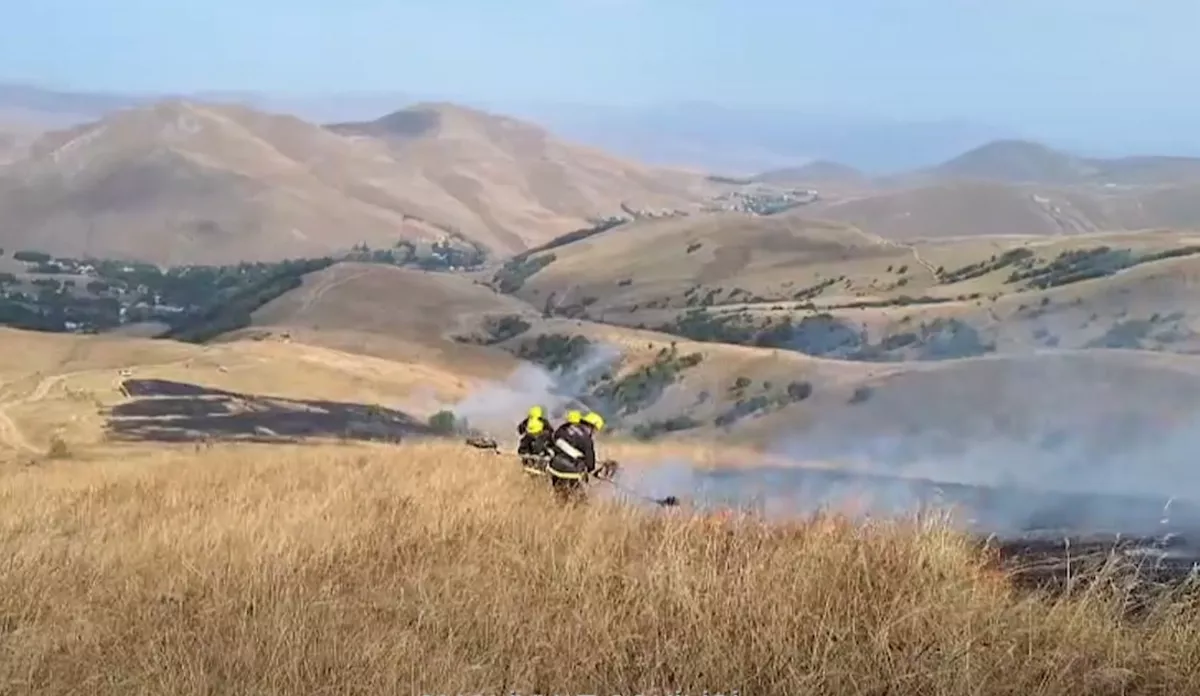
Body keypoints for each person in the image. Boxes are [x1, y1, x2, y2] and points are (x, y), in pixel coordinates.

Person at [546, 410, 605, 502]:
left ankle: (559, 511)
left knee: (560, 495)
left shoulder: (563, 427)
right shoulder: (586, 438)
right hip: (571, 470)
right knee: (579, 499)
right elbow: (590, 463)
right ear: (592, 426)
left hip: (554, 467)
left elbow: (553, 442)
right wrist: (591, 470)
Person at [517, 406, 554, 475]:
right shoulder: (544, 421)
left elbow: (520, 430)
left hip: (527, 449)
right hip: (540, 450)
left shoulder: (527, 421)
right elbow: (551, 432)